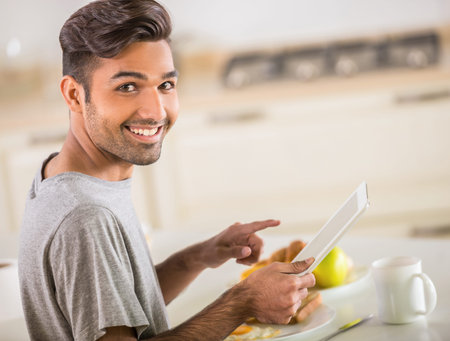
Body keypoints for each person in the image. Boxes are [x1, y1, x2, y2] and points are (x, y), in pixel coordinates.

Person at [18, 0, 316, 340]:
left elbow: (113, 301)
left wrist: (198, 257)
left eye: (166, 85)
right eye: (127, 87)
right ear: (74, 94)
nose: (155, 110)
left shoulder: (64, 176)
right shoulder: (86, 217)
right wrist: (243, 302)